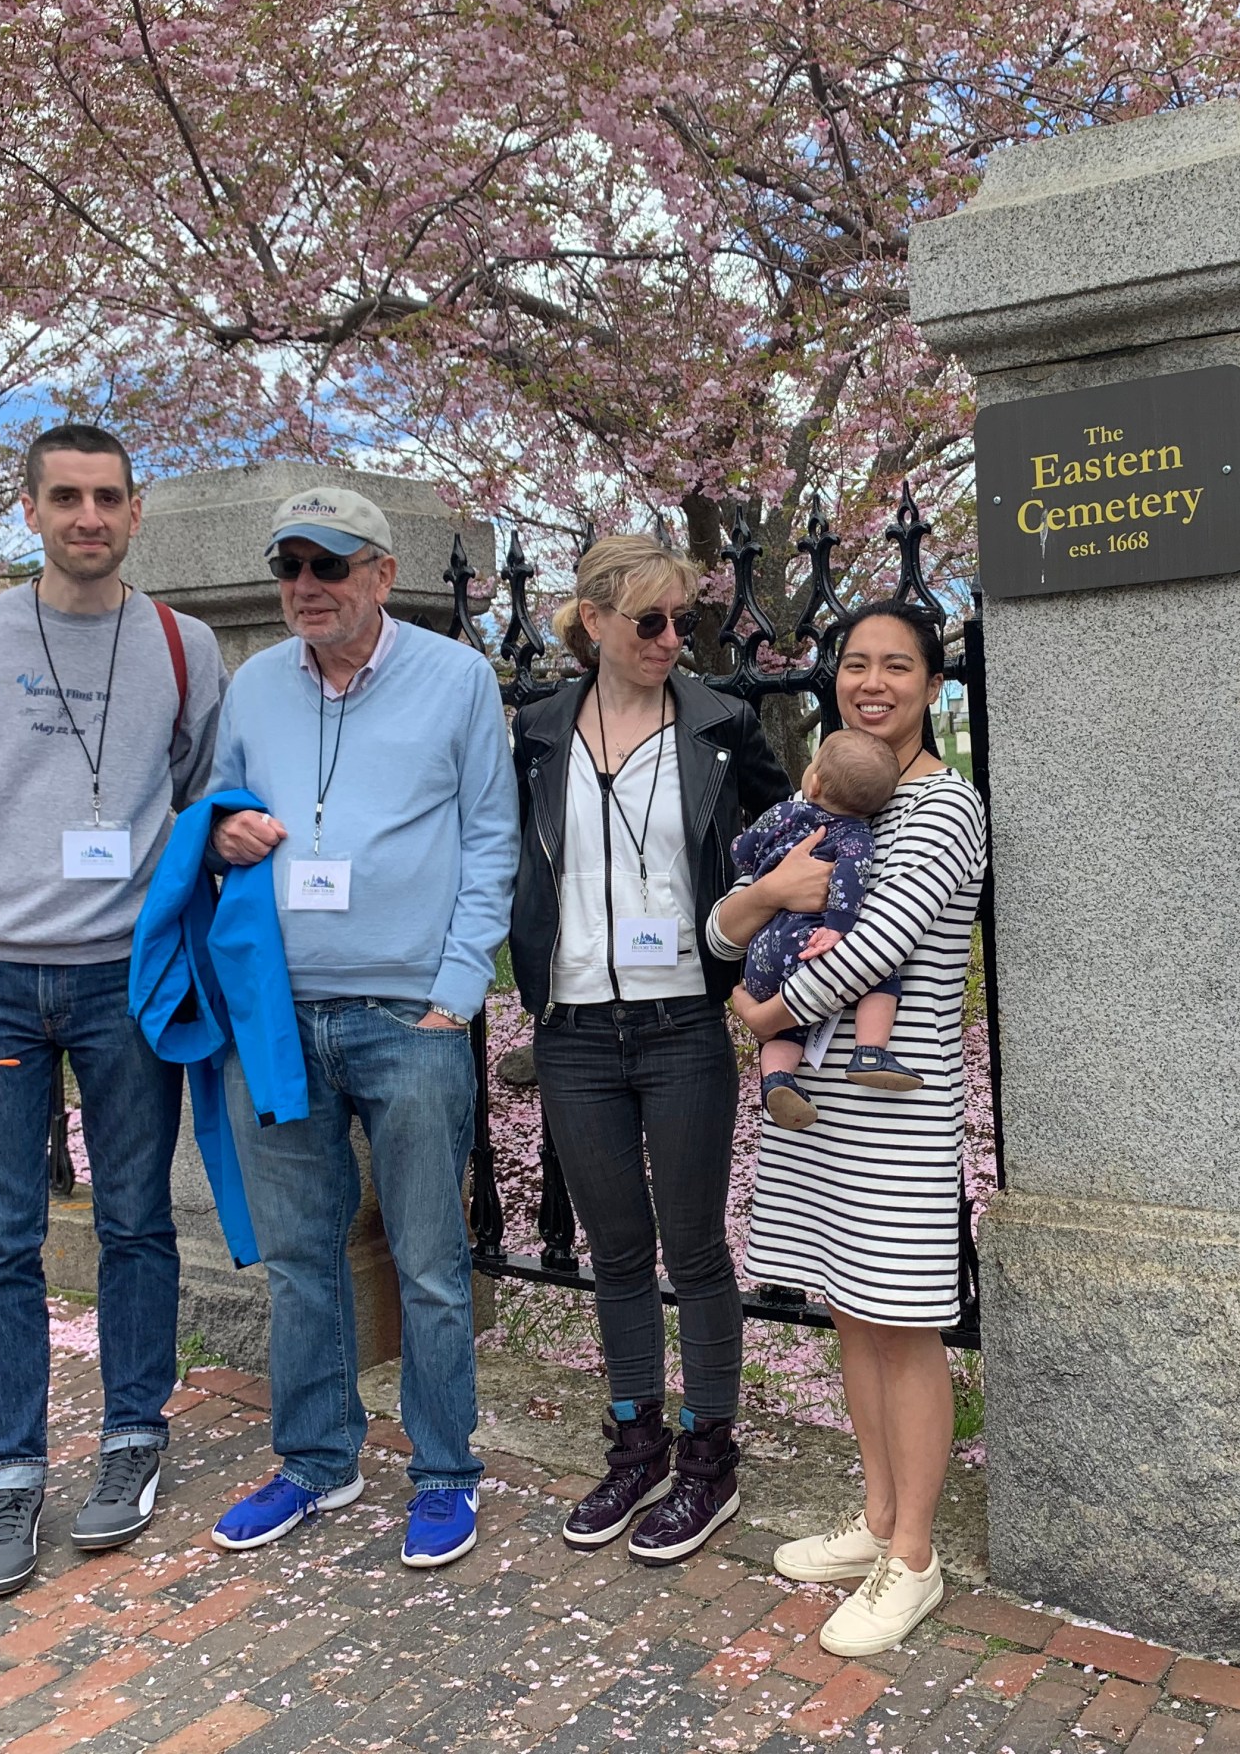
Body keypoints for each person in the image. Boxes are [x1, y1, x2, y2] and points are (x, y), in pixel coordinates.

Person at [0, 423, 226, 1597]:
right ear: (30, 510)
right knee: (1, 1245)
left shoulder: (183, 647)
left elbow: (197, 805)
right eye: (66, 497)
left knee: (135, 1222)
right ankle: (8, 1468)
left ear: (136, 511)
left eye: (108, 498)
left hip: (124, 976)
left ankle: (134, 1437)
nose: (88, 517)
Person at [204, 485, 518, 1570]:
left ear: (383, 575)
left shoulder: (458, 679)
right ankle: (317, 1462)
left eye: (328, 566)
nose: (305, 587)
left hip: (407, 1016)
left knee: (430, 1260)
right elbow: (216, 815)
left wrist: (457, 990)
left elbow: (490, 840)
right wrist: (224, 835)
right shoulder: (251, 686)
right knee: (300, 1257)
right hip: (277, 1017)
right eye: (290, 565)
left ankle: (442, 1473)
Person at [714, 601, 989, 1658]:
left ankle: (912, 1557)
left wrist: (760, 1009)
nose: (874, 683)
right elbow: (728, 912)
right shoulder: (825, 794)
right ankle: (875, 1519)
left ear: (931, 683)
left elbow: (877, 944)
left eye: (899, 666)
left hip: (890, 1105)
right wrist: (755, 909)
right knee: (852, 1312)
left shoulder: (942, 806)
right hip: (815, 1110)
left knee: (902, 1324)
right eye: (857, 665)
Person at [510, 534, 789, 1564]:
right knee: (617, 1252)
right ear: (593, 623)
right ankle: (638, 1441)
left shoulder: (718, 723)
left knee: (696, 1247)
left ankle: (709, 1452)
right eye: (651, 622)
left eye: (685, 621)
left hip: (681, 1023)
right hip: (576, 1027)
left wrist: (757, 919)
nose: (674, 640)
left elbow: (797, 825)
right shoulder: (537, 732)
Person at [736, 727, 918, 1128]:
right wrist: (836, 927)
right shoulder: (856, 835)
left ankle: (777, 1081)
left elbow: (742, 850)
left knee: (786, 1032)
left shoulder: (784, 813)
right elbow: (847, 882)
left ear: (814, 780)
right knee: (881, 974)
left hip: (762, 951)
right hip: (807, 943)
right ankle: (870, 1051)